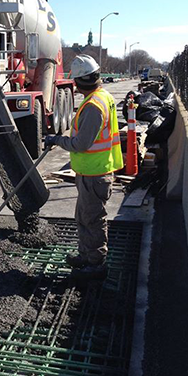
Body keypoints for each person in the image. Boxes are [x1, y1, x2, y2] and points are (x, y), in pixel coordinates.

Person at [45, 55, 123, 281]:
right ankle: (85, 256)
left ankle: (96, 263)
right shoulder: (102, 97)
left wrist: (56, 140)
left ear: (78, 82)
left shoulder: (93, 107)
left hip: (95, 173)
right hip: (91, 172)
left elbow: (80, 144)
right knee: (83, 216)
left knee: (93, 219)